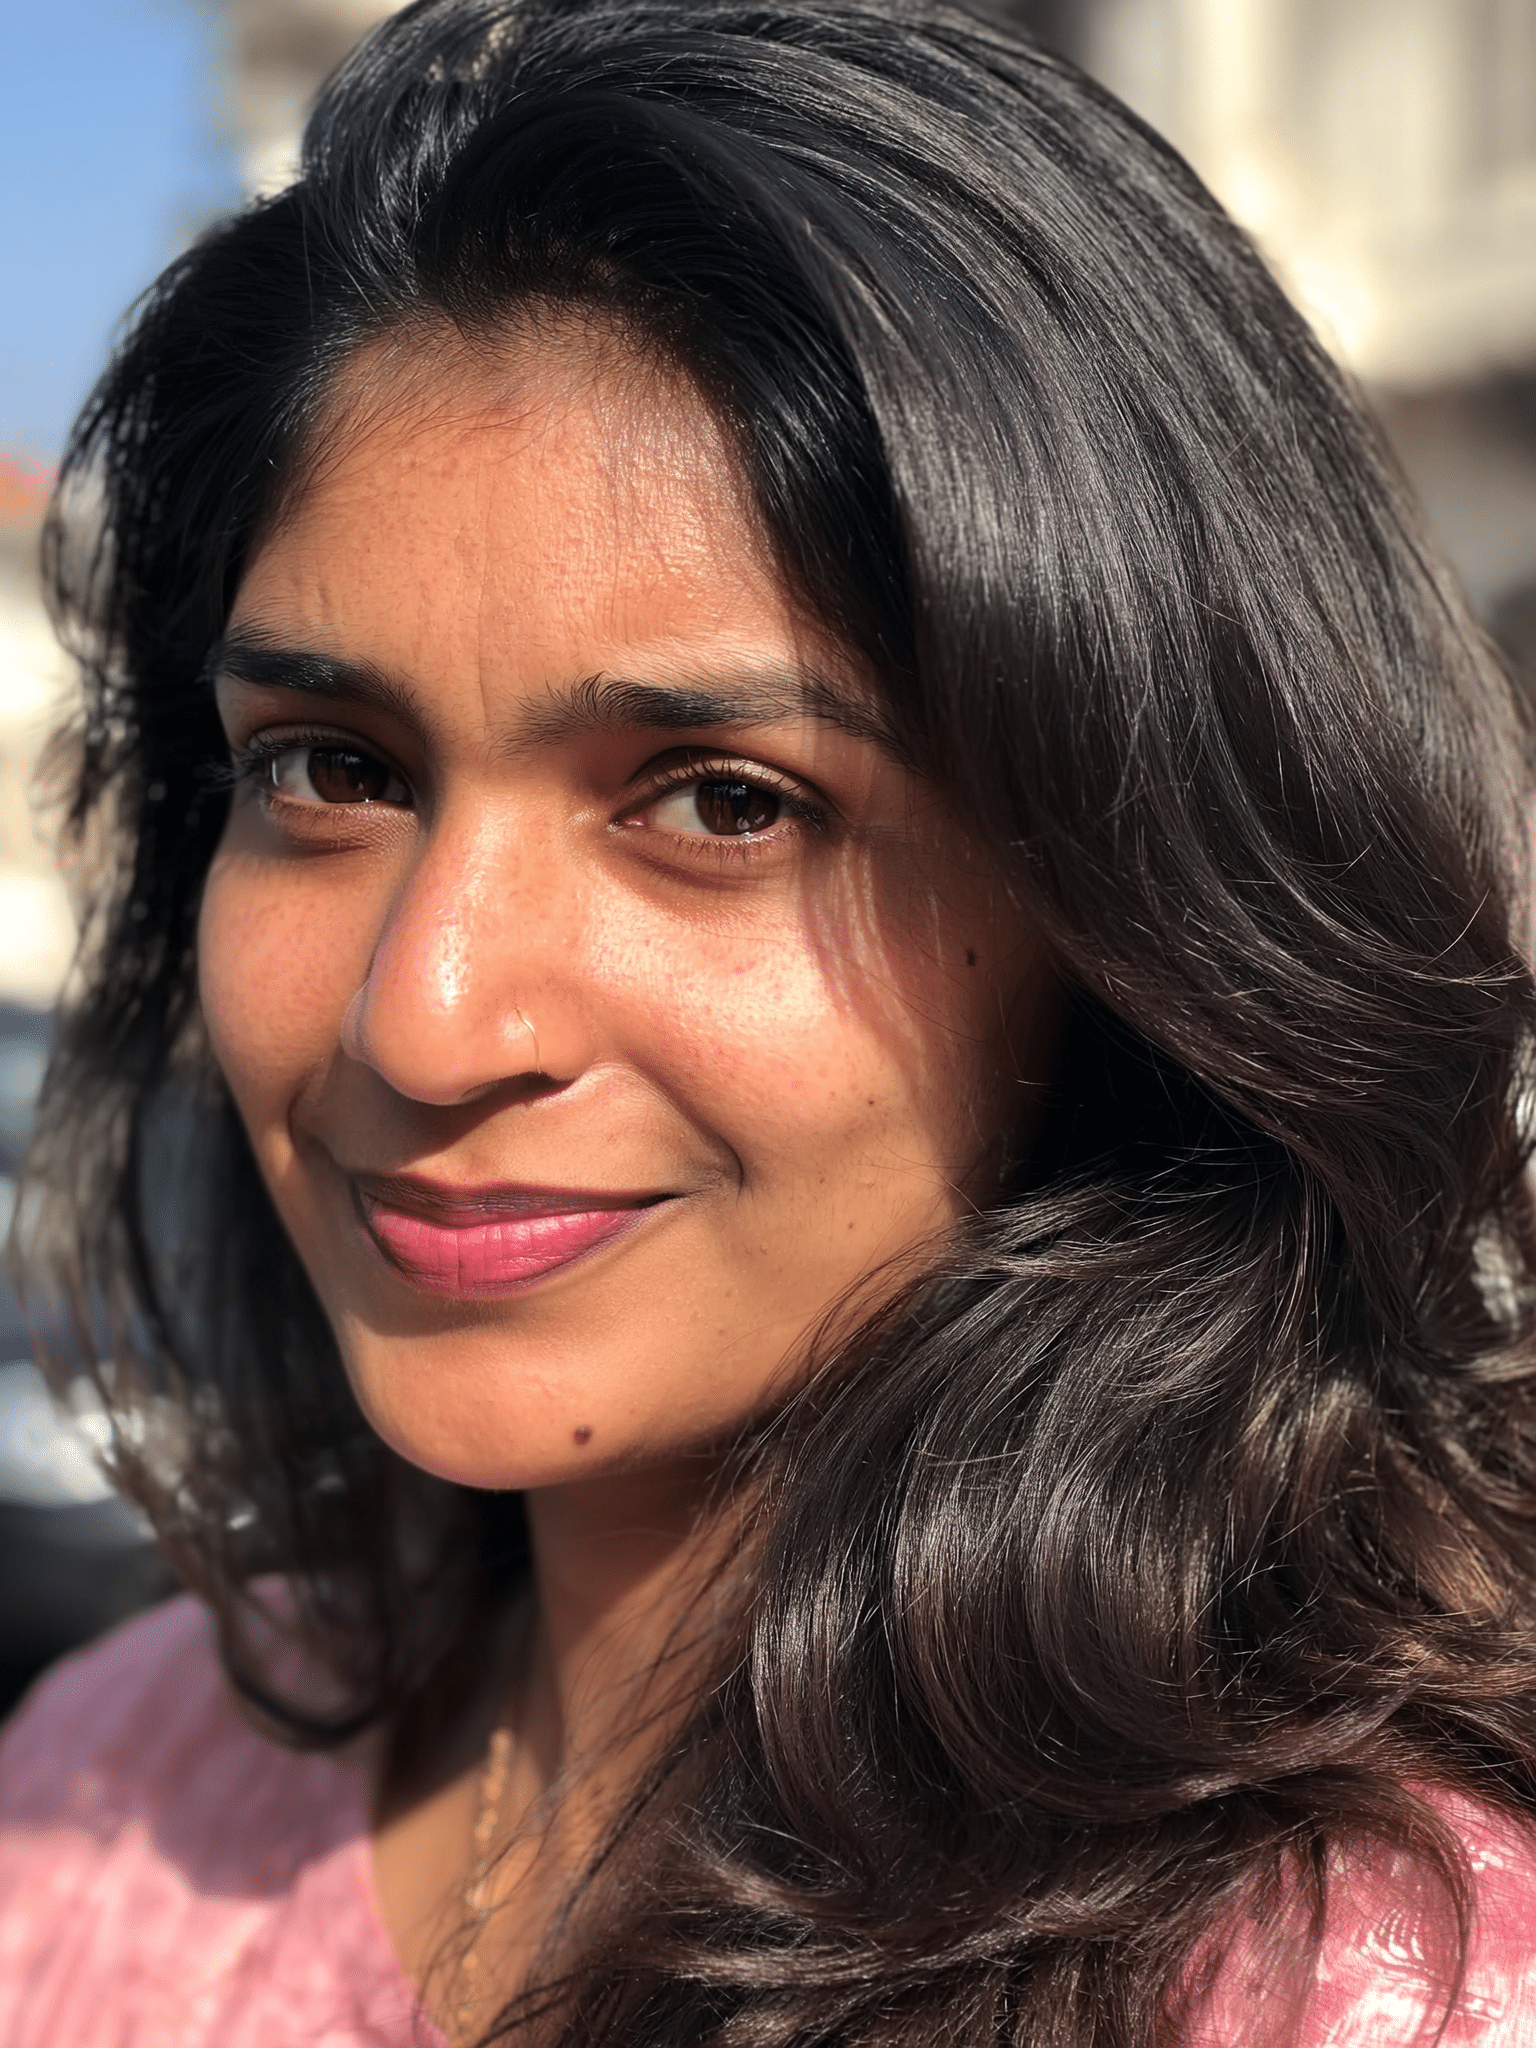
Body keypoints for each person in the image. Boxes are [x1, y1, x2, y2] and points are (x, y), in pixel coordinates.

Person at [4, 1, 1536, 2041]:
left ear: (1130, 917)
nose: (426, 1021)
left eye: (724, 803)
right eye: (332, 770)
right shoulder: (109, 1790)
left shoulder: (1365, 1980)